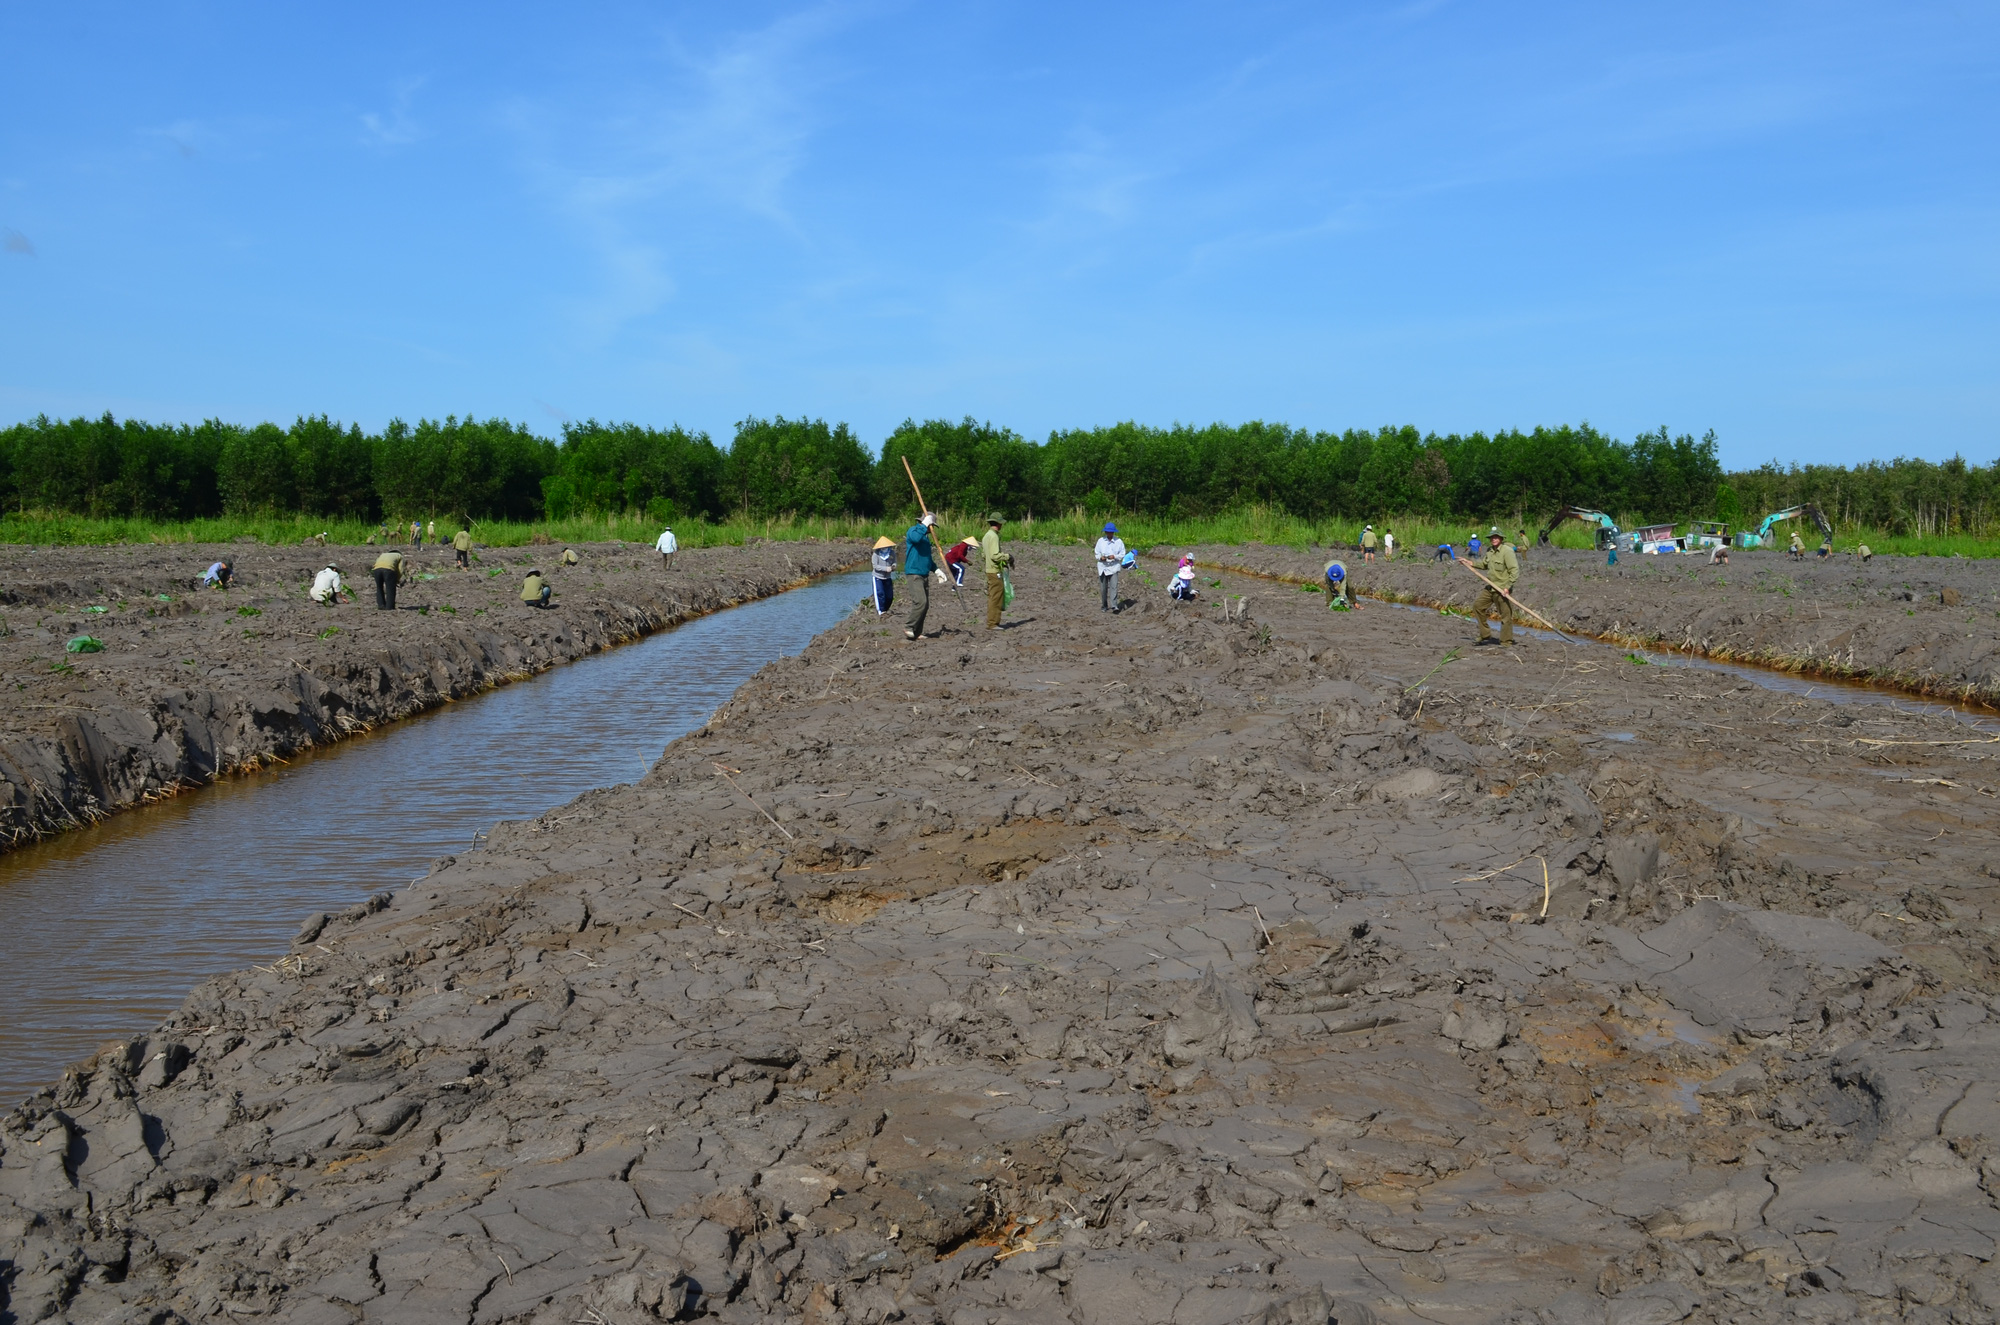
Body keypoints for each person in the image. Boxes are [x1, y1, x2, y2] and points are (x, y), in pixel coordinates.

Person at [1470, 529, 1521, 646]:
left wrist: (1507, 587)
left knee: (1505, 616)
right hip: (1490, 587)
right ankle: (1485, 634)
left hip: (1502, 588)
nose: (1493, 539)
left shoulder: (1507, 551)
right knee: (1477, 606)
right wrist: (1470, 563)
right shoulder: (1489, 551)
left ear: (1501, 538)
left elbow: (1514, 571)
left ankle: (1506, 641)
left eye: (1496, 537)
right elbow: (1484, 564)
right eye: (1492, 537)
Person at [903, 513, 939, 639]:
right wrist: (924, 525)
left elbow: (927, 558)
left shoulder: (925, 538)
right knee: (920, 601)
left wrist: (937, 570)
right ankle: (909, 627)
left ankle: (917, 632)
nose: (931, 529)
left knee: (925, 604)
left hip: (924, 574)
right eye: (931, 525)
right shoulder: (913, 531)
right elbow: (915, 539)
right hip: (914, 573)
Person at [981, 513, 1009, 630]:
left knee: (993, 596)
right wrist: (1007, 557)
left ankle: (992, 622)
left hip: (989, 570)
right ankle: (993, 623)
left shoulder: (986, 536)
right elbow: (994, 555)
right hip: (994, 571)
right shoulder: (994, 536)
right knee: (996, 597)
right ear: (998, 523)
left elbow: (984, 555)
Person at [1094, 522, 1126, 613]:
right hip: (1103, 567)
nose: (1109, 534)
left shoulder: (1118, 542)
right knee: (1103, 588)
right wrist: (1101, 557)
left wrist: (1114, 557)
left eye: (1111, 532)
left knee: (1114, 587)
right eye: (1107, 532)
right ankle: (1104, 605)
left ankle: (1114, 606)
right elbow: (1096, 553)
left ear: (1113, 532)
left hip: (1113, 567)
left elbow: (1122, 554)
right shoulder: (1101, 541)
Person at [871, 536, 896, 615]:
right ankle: (881, 611)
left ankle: (886, 609)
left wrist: (893, 567)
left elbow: (894, 562)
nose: (885, 548)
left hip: (887, 577)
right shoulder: (876, 554)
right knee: (880, 594)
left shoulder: (892, 553)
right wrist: (885, 569)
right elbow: (875, 566)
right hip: (878, 577)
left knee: (889, 596)